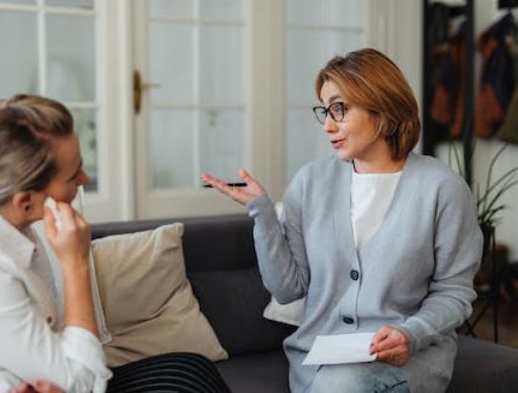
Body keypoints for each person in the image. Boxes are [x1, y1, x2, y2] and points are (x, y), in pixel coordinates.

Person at [202, 48, 483, 393]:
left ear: (382, 107)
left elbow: (453, 293)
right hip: (319, 363)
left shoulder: (443, 188)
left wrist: (411, 334)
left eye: (340, 109)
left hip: (407, 359)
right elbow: (287, 289)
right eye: (325, 110)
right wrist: (261, 211)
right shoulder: (310, 183)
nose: (328, 125)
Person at [0, 94, 230, 393]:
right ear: (25, 201)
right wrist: (76, 264)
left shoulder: (7, 220)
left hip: (40, 379)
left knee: (190, 369)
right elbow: (80, 382)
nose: (84, 179)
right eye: (73, 175)